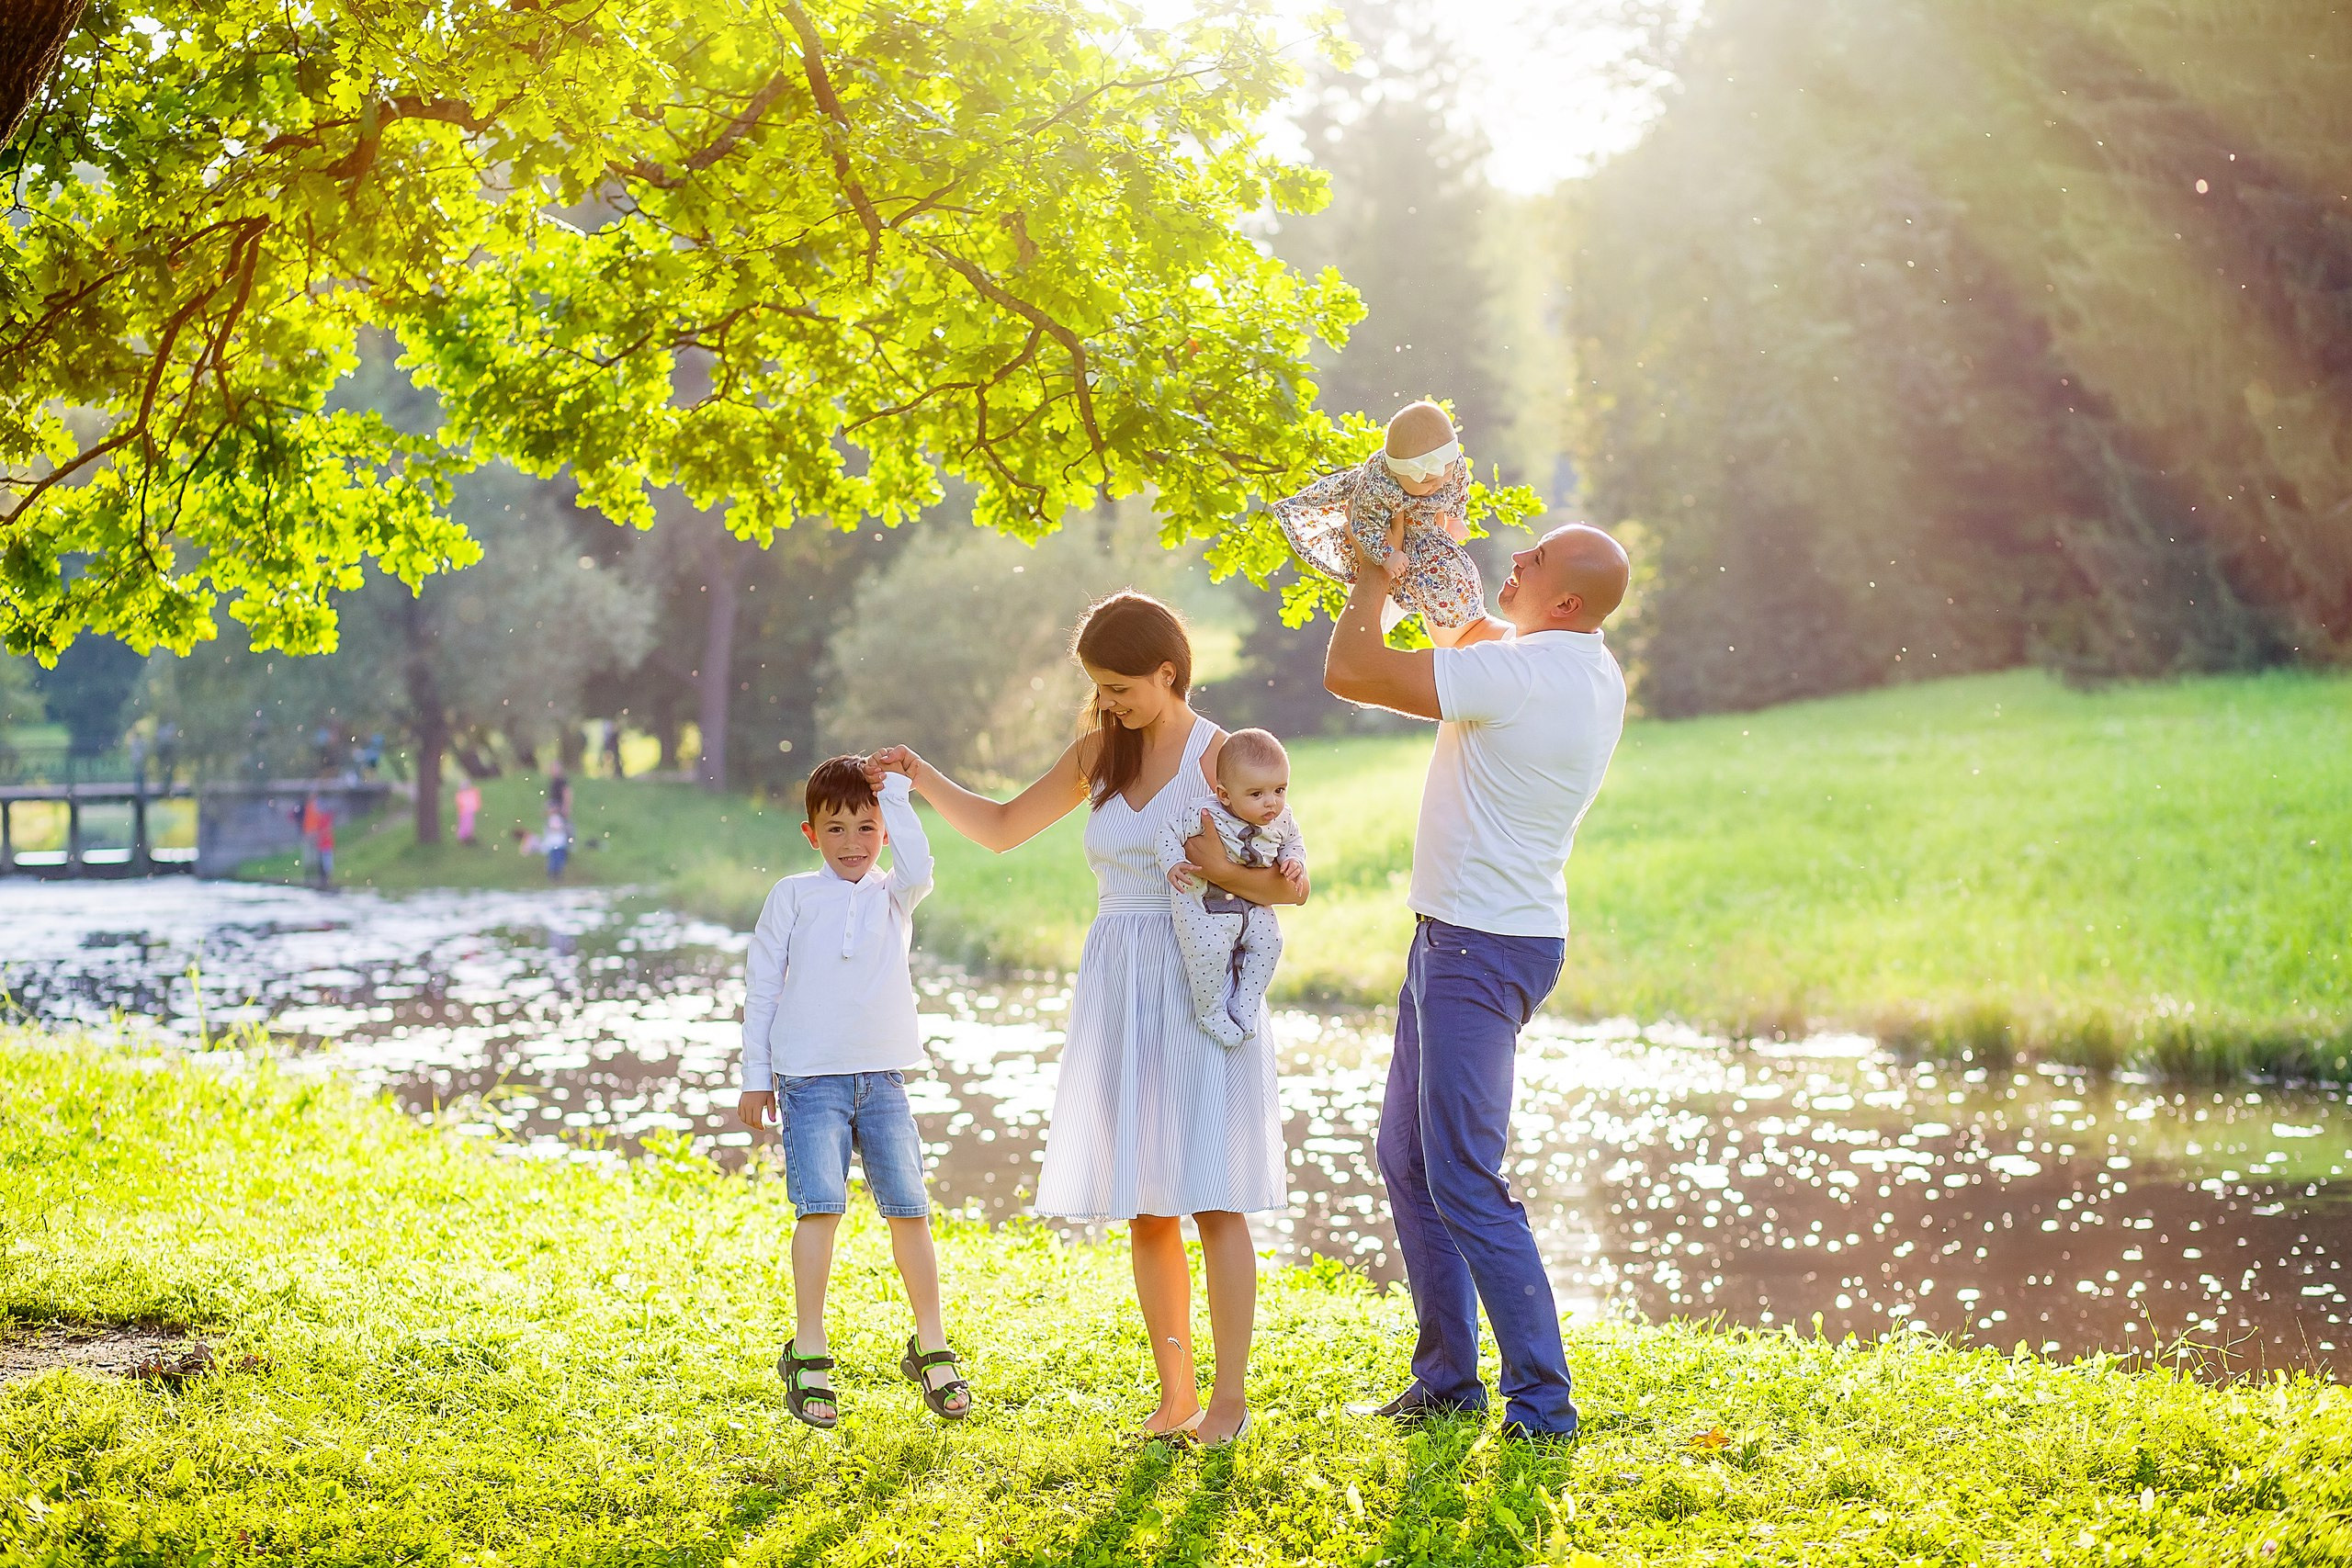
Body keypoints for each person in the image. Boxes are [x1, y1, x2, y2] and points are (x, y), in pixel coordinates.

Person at [870, 592, 1303, 1447]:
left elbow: (1292, 884)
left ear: (1167, 673)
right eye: (1099, 688)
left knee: (1216, 1200)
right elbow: (999, 828)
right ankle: (1175, 1395)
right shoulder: (1098, 753)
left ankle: (1228, 1400)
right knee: (1147, 1202)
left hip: (1198, 978)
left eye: (1120, 686)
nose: (1108, 701)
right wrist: (919, 776)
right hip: (1120, 980)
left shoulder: (1227, 756)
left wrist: (1221, 865)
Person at [1323, 519, 1632, 1445]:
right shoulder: (1580, 665)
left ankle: (1543, 1405)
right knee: (1408, 1159)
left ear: (1566, 601)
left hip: (1478, 947)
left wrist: (1369, 586)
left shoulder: (1523, 673)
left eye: (1532, 562)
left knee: (1460, 1173)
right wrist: (1425, 552)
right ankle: (1448, 1381)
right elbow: (1470, 635)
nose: (1516, 561)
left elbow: (1352, 672)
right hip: (1468, 936)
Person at [735, 754, 968, 1431]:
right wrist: (757, 1075)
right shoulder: (793, 896)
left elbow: (921, 862)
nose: (852, 842)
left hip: (884, 1079)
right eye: (835, 828)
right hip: (808, 1080)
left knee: (909, 1209)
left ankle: (931, 1343)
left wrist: (895, 788)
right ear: (811, 833)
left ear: (884, 833)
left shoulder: (894, 894)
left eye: (866, 827)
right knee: (821, 1209)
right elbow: (762, 987)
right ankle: (808, 1348)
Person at [1272, 400, 1487, 642]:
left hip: (1424, 528)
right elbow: (1363, 525)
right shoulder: (1377, 486)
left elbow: (1458, 485)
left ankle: (1462, 627)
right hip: (1381, 530)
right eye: (1426, 481)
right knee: (1385, 592)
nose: (1437, 484)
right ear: (1398, 472)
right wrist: (1387, 554)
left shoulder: (1451, 464)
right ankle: (1371, 620)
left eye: (1444, 474)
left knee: (1457, 577)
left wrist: (1455, 515)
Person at [1155, 728, 1306, 1048]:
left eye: (1279, 790)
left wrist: (1294, 862)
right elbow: (1167, 831)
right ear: (1225, 795)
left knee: (1271, 943)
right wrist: (1172, 863)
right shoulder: (1205, 812)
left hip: (1253, 906)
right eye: (1257, 794)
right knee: (1208, 952)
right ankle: (1210, 1010)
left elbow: (1293, 842)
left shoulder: (1282, 819)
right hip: (1204, 909)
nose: (1272, 803)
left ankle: (1246, 1002)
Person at [541, 807, 570, 880]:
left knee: (559, 860)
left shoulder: (558, 818)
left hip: (560, 843)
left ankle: (557, 875)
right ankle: (552, 875)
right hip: (553, 844)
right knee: (554, 860)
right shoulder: (551, 819)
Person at [455, 780, 482, 847]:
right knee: (464, 824)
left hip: (470, 812)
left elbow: (475, 797)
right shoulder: (460, 795)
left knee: (470, 824)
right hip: (464, 813)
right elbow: (460, 804)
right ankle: (462, 838)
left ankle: (469, 835)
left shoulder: (471, 793)